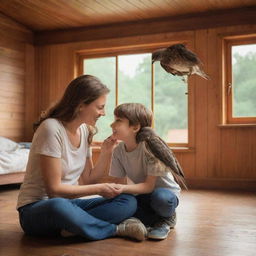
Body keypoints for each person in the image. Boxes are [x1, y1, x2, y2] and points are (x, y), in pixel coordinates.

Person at [16, 75, 147, 241]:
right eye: (100, 107)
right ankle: (115, 229)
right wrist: (101, 189)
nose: (103, 113)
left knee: (127, 200)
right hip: (36, 209)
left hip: (69, 206)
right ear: (80, 105)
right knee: (59, 206)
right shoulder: (51, 129)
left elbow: (88, 180)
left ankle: (74, 227)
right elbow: (54, 191)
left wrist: (106, 152)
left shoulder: (85, 130)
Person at [109, 103, 187, 240]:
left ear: (135, 127)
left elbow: (148, 186)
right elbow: (120, 186)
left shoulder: (149, 147)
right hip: (144, 194)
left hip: (164, 195)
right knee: (124, 205)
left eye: (118, 121)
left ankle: (167, 218)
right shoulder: (118, 151)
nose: (112, 125)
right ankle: (152, 219)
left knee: (161, 198)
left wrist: (120, 189)